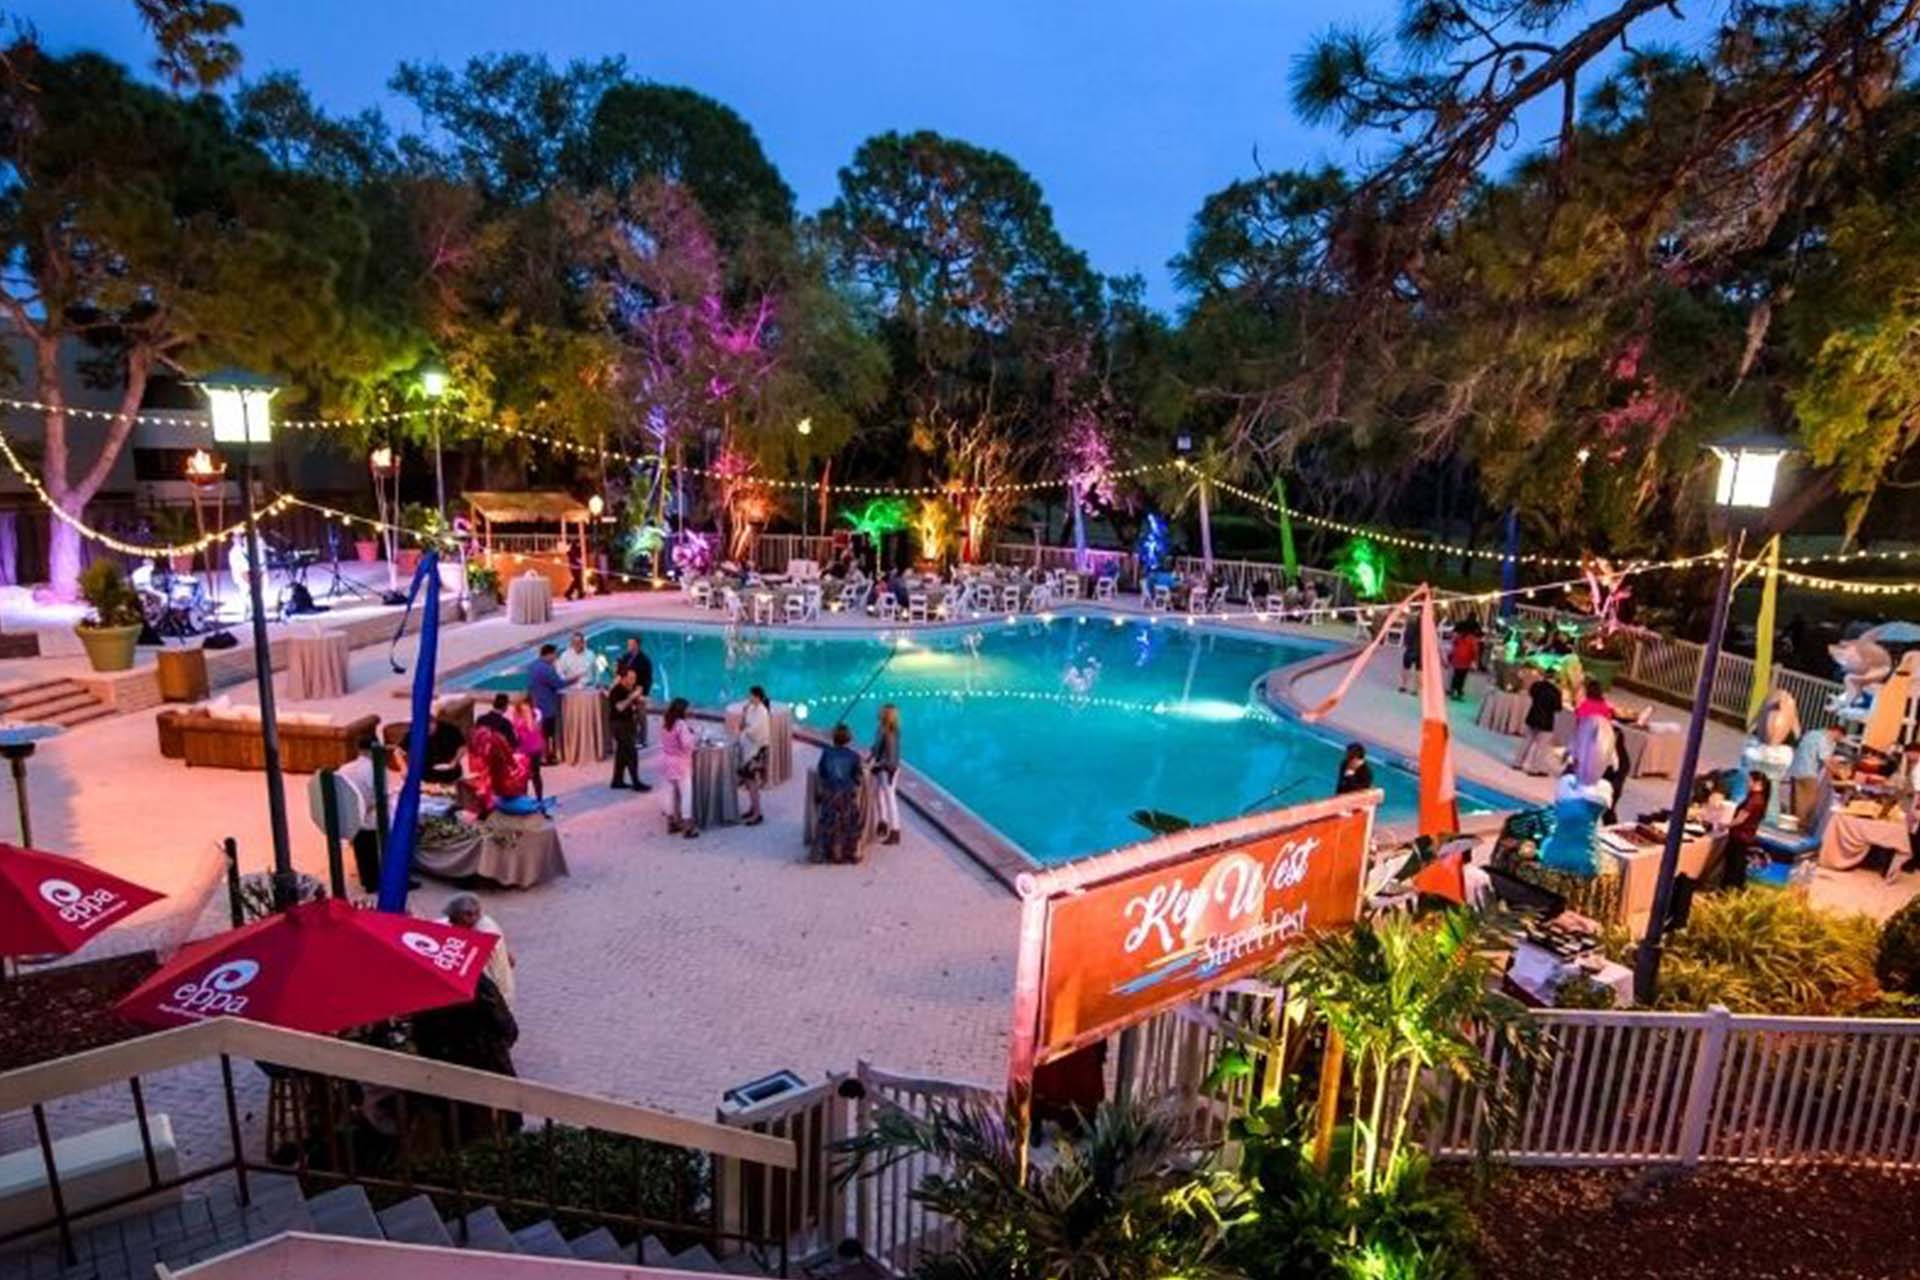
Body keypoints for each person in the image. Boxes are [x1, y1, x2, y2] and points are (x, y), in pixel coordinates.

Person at [439, 892, 515, 1009]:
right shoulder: (486, 922)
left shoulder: (482, 936)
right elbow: (511, 959)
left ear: (470, 916)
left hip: (493, 997)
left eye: (453, 920)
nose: (451, 923)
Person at [813, 724, 865, 864]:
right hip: (847, 796)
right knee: (850, 822)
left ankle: (829, 852)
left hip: (830, 794)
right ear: (849, 739)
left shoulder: (826, 753)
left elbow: (822, 772)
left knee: (829, 821)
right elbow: (858, 778)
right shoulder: (854, 756)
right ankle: (852, 852)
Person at [1711, 771, 1770, 890]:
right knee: (1738, 866)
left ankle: (1726, 890)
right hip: (1746, 836)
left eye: (1749, 781)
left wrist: (1725, 825)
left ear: (1757, 783)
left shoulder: (1754, 800)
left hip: (1740, 836)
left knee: (1732, 867)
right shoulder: (1759, 798)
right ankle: (1733, 890)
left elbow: (1741, 819)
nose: (1747, 783)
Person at [1785, 723, 1843, 827]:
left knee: (1797, 798)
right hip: (1808, 771)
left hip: (1796, 768)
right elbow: (1825, 760)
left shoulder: (1812, 733)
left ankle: (1792, 822)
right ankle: (1801, 824)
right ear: (1836, 733)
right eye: (1839, 737)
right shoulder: (1824, 739)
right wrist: (1839, 774)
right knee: (1810, 800)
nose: (1838, 740)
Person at [658, 697, 699, 838]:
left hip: (667, 762)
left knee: (669, 793)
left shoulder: (666, 723)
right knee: (686, 794)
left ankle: (671, 822)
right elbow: (687, 744)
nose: (690, 710)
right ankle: (687, 827)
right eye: (688, 708)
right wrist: (693, 736)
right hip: (681, 764)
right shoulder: (681, 725)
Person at [607, 667, 651, 792]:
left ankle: (617, 780)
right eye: (631, 678)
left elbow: (634, 703)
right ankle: (636, 783)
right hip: (619, 724)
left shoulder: (628, 689)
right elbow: (620, 707)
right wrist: (632, 697)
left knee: (622, 753)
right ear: (623, 678)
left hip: (628, 723)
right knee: (632, 753)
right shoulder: (616, 691)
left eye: (634, 678)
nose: (633, 680)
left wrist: (641, 698)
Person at [1513, 667, 1563, 775]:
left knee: (1527, 741)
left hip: (1533, 716)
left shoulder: (1536, 685)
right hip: (1546, 721)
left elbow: (1531, 694)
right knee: (1541, 747)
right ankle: (1534, 768)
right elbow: (1558, 708)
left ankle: (1517, 762)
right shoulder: (1556, 692)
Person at [525, 644, 567, 766]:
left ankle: (541, 755)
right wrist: (574, 679)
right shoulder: (547, 669)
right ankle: (546, 757)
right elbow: (559, 684)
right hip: (547, 706)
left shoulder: (532, 666)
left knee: (540, 731)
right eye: (554, 655)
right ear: (548, 654)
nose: (555, 657)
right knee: (548, 733)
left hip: (536, 704)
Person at [737, 685, 772, 827]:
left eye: (751, 695)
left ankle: (758, 813)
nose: (748, 698)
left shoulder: (763, 712)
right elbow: (742, 726)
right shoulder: (750, 709)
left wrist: (746, 731)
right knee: (747, 780)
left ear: (757, 696)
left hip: (756, 750)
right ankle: (752, 808)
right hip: (747, 748)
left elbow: (756, 732)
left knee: (752, 782)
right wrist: (744, 714)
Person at [870, 703, 902, 845]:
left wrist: (878, 765)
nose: (878, 712)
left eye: (882, 711)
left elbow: (891, 758)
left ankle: (895, 831)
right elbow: (876, 748)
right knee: (878, 794)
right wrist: (870, 759)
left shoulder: (890, 733)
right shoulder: (881, 729)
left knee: (890, 798)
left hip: (888, 770)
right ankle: (883, 822)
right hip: (881, 768)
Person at [616, 636, 653, 747]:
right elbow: (619, 673)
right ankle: (631, 737)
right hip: (626, 691)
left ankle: (643, 739)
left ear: (637, 645)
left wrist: (643, 692)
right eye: (628, 644)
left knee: (641, 715)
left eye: (631, 644)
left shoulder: (645, 660)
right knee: (629, 716)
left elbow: (648, 678)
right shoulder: (625, 657)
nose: (629, 646)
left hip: (639, 690)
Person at [508, 696, 547, 801]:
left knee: (535, 774)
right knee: (522, 775)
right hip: (521, 748)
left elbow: (532, 728)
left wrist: (529, 714)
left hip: (534, 747)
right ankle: (523, 798)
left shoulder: (537, 713)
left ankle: (539, 799)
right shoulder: (516, 714)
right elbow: (514, 729)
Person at [1447, 624, 1480, 700]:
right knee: (1461, 678)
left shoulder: (1458, 637)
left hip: (1457, 659)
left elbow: (1453, 645)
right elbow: (1475, 651)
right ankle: (1458, 692)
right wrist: (1475, 661)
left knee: (1456, 676)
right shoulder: (1472, 639)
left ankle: (1453, 691)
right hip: (1465, 661)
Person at [1396, 620, 1421, 694]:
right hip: (1420, 650)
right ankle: (1416, 689)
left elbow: (1405, 639)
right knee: (1418, 670)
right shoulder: (1424, 627)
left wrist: (1407, 644)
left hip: (1410, 650)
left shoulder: (1409, 626)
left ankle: (1403, 686)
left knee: (1406, 668)